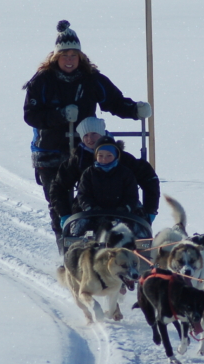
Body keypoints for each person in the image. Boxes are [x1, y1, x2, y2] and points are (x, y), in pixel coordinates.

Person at [22, 20, 151, 240]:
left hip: (88, 147)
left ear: (81, 57)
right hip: (51, 151)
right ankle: (66, 245)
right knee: (58, 199)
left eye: (74, 55)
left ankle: (109, 241)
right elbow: (31, 116)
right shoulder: (42, 82)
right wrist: (60, 115)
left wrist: (135, 110)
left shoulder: (92, 79)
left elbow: (114, 102)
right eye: (65, 55)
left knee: (98, 196)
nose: (70, 60)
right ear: (55, 57)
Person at [49, 117, 159, 233]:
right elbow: (58, 187)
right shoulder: (78, 160)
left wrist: (150, 210)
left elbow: (148, 180)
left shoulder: (124, 161)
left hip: (123, 209)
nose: (90, 139)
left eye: (94, 134)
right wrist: (65, 214)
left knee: (137, 230)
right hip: (88, 210)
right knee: (77, 230)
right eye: (85, 135)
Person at [71, 137, 144, 236]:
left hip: (122, 214)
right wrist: (91, 208)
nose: (104, 159)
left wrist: (124, 208)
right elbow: (83, 194)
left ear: (116, 156)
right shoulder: (89, 173)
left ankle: (138, 247)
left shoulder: (125, 173)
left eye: (109, 156)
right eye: (100, 156)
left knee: (137, 229)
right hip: (92, 214)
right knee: (77, 229)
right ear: (96, 156)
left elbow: (131, 195)